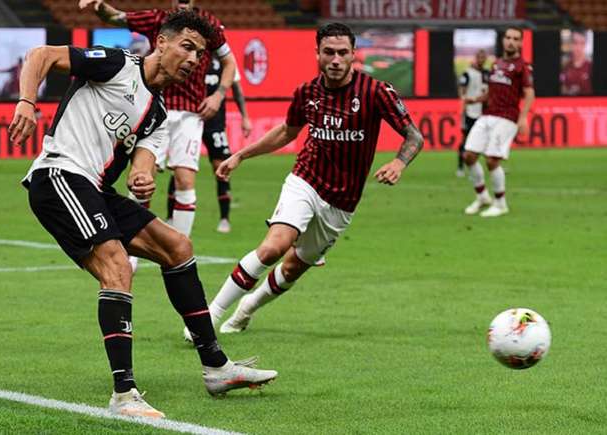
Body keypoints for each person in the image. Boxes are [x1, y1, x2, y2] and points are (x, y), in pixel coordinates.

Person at [8, 10, 277, 419]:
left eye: (200, 53)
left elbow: (143, 166)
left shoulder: (158, 116)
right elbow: (41, 55)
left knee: (178, 246)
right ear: (161, 42)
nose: (192, 58)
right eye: (186, 46)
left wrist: (143, 179)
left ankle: (216, 367)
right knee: (117, 266)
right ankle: (124, 394)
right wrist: (27, 103)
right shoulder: (116, 64)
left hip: (96, 188)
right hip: (59, 174)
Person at [195, 23, 423, 336]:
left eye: (343, 53)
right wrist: (240, 155)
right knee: (274, 247)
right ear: (317, 53)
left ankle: (248, 307)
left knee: (291, 267)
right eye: (329, 52)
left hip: (342, 202)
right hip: (306, 180)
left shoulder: (375, 91)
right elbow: (287, 132)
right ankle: (208, 317)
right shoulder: (307, 92)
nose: (336, 60)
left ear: (354, 54)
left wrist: (399, 161)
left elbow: (414, 135)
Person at [85, 0, 238, 238]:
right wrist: (99, 5)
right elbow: (115, 17)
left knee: (186, 181)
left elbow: (229, 62)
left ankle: (179, 249)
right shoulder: (158, 19)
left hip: (190, 113)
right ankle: (131, 251)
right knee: (141, 178)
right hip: (154, 108)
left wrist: (218, 95)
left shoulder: (209, 24)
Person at [166, 54, 252, 233]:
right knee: (181, 167)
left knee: (221, 167)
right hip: (189, 118)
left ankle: (224, 219)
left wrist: (245, 117)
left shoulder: (224, 58)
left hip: (214, 123)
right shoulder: (190, 55)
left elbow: (236, 88)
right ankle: (170, 217)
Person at [462, 27, 534, 218]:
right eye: (508, 37)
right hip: (488, 115)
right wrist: (476, 99)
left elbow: (529, 93)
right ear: (504, 40)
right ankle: (482, 197)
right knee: (468, 155)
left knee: (492, 160)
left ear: (520, 43)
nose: (511, 41)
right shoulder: (496, 64)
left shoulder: (522, 67)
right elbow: (492, 92)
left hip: (507, 117)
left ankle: (500, 204)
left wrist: (523, 117)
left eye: (515, 39)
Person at [456, 50, 488, 178]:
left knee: (482, 141)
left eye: (483, 57)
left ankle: (476, 168)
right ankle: (460, 167)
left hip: (482, 112)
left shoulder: (487, 73)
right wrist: (464, 103)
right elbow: (462, 90)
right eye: (479, 57)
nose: (481, 59)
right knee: (466, 141)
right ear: (476, 58)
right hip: (469, 112)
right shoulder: (468, 73)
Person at [560, 30, 592, 96]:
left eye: (582, 43)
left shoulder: (591, 66)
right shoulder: (565, 66)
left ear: (585, 44)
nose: (578, 47)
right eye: (575, 43)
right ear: (571, 44)